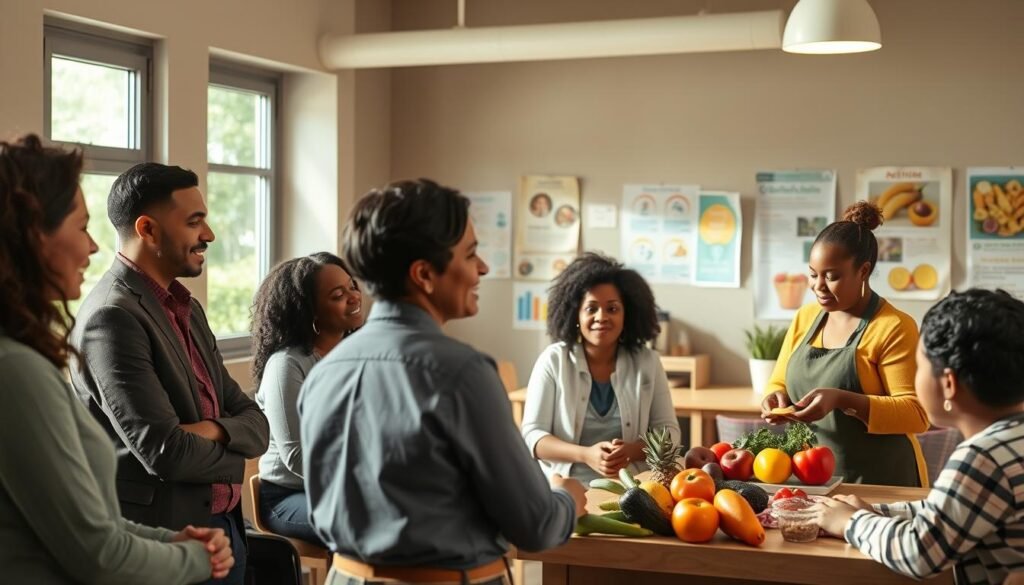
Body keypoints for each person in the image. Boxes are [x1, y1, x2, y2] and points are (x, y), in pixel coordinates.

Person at [300, 179, 585, 585]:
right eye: (470, 254)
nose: (482, 267)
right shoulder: (461, 374)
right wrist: (567, 498)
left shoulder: (325, 371)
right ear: (424, 275)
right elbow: (535, 525)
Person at [0, 134, 233, 583]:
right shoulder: (17, 368)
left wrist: (171, 543)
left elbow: (84, 519)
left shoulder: (22, 357)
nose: (92, 246)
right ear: (33, 235)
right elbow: (98, 552)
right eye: (82, 226)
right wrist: (199, 559)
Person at [69, 163, 269, 585]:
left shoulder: (187, 309)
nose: (209, 235)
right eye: (194, 222)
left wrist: (210, 430)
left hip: (225, 529)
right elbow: (166, 452)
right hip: (167, 541)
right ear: (149, 230)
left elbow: (256, 422)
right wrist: (235, 446)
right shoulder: (113, 317)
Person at [812, 289, 1024, 585]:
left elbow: (920, 551)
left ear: (948, 383)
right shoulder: (1011, 442)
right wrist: (875, 511)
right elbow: (946, 511)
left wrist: (848, 522)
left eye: (919, 366)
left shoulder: (983, 457)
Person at [761, 201, 929, 486]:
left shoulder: (894, 327)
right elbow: (779, 380)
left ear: (863, 271)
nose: (818, 286)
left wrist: (842, 399)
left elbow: (917, 414)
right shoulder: (807, 316)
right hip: (814, 481)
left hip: (883, 483)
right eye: (813, 274)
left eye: (832, 276)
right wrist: (774, 397)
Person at [521, 253, 680, 484]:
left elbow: (670, 434)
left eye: (612, 309)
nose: (601, 317)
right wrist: (585, 454)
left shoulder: (648, 361)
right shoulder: (553, 361)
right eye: (591, 308)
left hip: (634, 489)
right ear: (576, 314)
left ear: (627, 315)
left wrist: (632, 451)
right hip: (564, 488)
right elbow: (532, 436)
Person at [250, 252, 363, 545]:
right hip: (288, 495)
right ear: (309, 311)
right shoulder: (287, 364)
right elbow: (296, 456)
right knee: (366, 519)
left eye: (353, 286)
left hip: (348, 487)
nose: (354, 297)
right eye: (339, 294)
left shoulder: (358, 354)